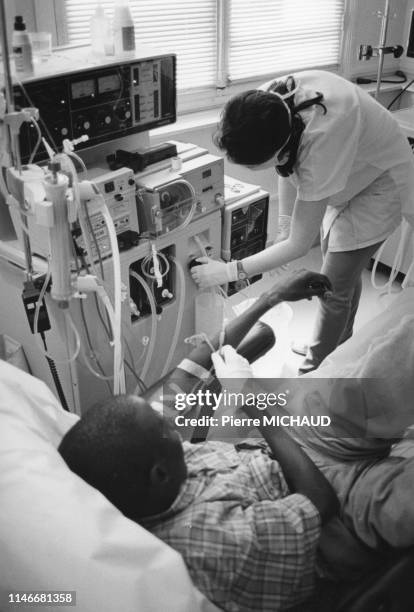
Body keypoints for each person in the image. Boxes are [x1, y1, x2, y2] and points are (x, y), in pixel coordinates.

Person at [59, 270, 339, 612]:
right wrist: (250, 398)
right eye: (168, 430)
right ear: (159, 473)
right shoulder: (216, 539)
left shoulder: (148, 470)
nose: (175, 422)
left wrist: (272, 297)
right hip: (319, 488)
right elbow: (321, 503)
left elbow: (192, 367)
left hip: (273, 452)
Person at [191, 69, 414, 373]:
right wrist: (284, 225)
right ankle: (337, 343)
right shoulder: (262, 107)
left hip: (381, 182)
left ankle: (317, 366)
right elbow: (287, 165)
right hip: (351, 169)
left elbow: (300, 243)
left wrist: (228, 272)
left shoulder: (325, 135)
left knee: (334, 282)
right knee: (342, 270)